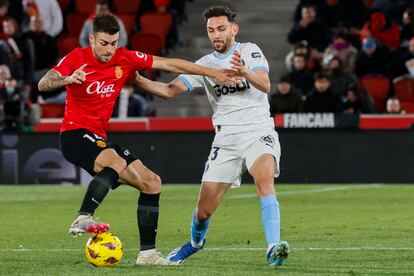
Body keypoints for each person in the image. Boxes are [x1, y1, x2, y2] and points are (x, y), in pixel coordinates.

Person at [37, 13, 236, 266]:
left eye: (114, 43)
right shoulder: (78, 57)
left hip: (98, 137)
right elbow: (44, 83)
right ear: (92, 39)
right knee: (116, 163)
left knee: (152, 183)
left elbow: (170, 65)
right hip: (74, 134)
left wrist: (212, 73)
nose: (109, 50)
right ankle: (83, 217)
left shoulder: (125, 58)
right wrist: (67, 78)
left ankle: (148, 255)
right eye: (103, 43)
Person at [133, 5, 290, 266]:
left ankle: (274, 247)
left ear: (233, 29)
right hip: (226, 140)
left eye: (220, 29)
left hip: (257, 131)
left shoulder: (249, 51)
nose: (216, 35)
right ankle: (195, 243)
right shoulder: (204, 65)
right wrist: (137, 79)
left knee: (264, 181)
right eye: (211, 30)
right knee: (204, 212)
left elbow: (265, 84)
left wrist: (245, 73)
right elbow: (169, 91)